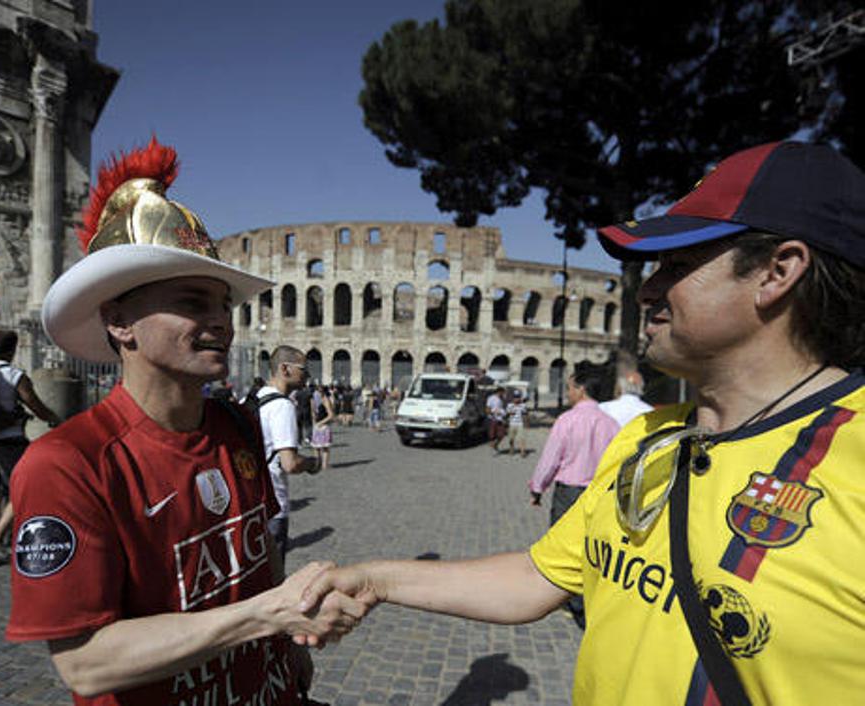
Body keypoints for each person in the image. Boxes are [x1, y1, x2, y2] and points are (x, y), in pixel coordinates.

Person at [294, 141, 865, 705]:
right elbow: (537, 577)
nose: (647, 290)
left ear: (777, 272)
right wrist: (375, 580)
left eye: (677, 265)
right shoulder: (647, 438)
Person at [4, 139, 362, 706]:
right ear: (119, 321)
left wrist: (286, 643)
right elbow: (85, 663)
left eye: (224, 305)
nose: (221, 321)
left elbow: (261, 555)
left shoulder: (237, 426)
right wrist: (266, 615)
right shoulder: (67, 464)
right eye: (195, 302)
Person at [528, 364, 619, 628]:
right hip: (598, 494)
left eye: (569, 388)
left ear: (581, 389)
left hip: (569, 493)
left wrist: (537, 488)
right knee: (590, 546)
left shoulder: (567, 420)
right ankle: (588, 597)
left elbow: (550, 460)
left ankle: (572, 601)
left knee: (563, 547)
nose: (567, 393)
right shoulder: (611, 424)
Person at [0, 329, 61, 568]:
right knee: (26, 488)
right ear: (11, 350)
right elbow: (35, 405)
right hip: (8, 442)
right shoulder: (13, 374)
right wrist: (54, 418)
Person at [256, 346, 320, 563]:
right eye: (303, 369)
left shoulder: (255, 398)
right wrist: (312, 463)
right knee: (274, 574)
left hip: (253, 500)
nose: (307, 375)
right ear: (285, 369)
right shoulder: (282, 406)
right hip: (274, 502)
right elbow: (290, 464)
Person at [310, 385, 335, 470]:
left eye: (320, 391)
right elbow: (313, 413)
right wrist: (314, 422)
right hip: (317, 425)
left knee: (324, 447)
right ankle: (318, 464)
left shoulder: (325, 400)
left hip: (323, 425)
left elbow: (331, 415)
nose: (318, 393)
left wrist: (320, 423)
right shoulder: (314, 400)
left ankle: (324, 465)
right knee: (316, 447)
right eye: (317, 391)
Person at [504, 390, 528, 457]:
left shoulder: (523, 405)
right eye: (515, 397)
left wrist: (526, 423)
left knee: (521, 438)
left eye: (518, 397)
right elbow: (506, 414)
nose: (516, 399)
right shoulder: (509, 405)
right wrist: (509, 414)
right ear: (513, 398)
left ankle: (522, 451)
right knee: (511, 438)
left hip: (520, 424)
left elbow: (525, 414)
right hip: (512, 423)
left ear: (520, 398)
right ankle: (511, 448)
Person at [485, 386, 507, 454]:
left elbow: (501, 408)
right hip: (493, 418)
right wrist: (493, 413)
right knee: (492, 435)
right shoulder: (491, 398)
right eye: (503, 392)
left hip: (500, 419)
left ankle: (495, 445)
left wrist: (503, 414)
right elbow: (487, 409)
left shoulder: (501, 399)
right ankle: (493, 449)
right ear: (499, 392)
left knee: (502, 434)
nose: (504, 394)